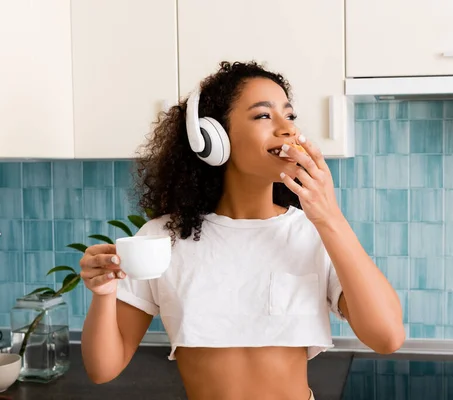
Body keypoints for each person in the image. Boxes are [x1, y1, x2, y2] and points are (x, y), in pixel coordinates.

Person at [79, 61, 405, 400]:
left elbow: (387, 337)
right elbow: (103, 368)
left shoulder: (314, 232)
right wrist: (103, 295)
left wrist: (330, 217)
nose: (287, 129)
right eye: (264, 116)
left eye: (289, 115)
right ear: (212, 137)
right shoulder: (163, 238)